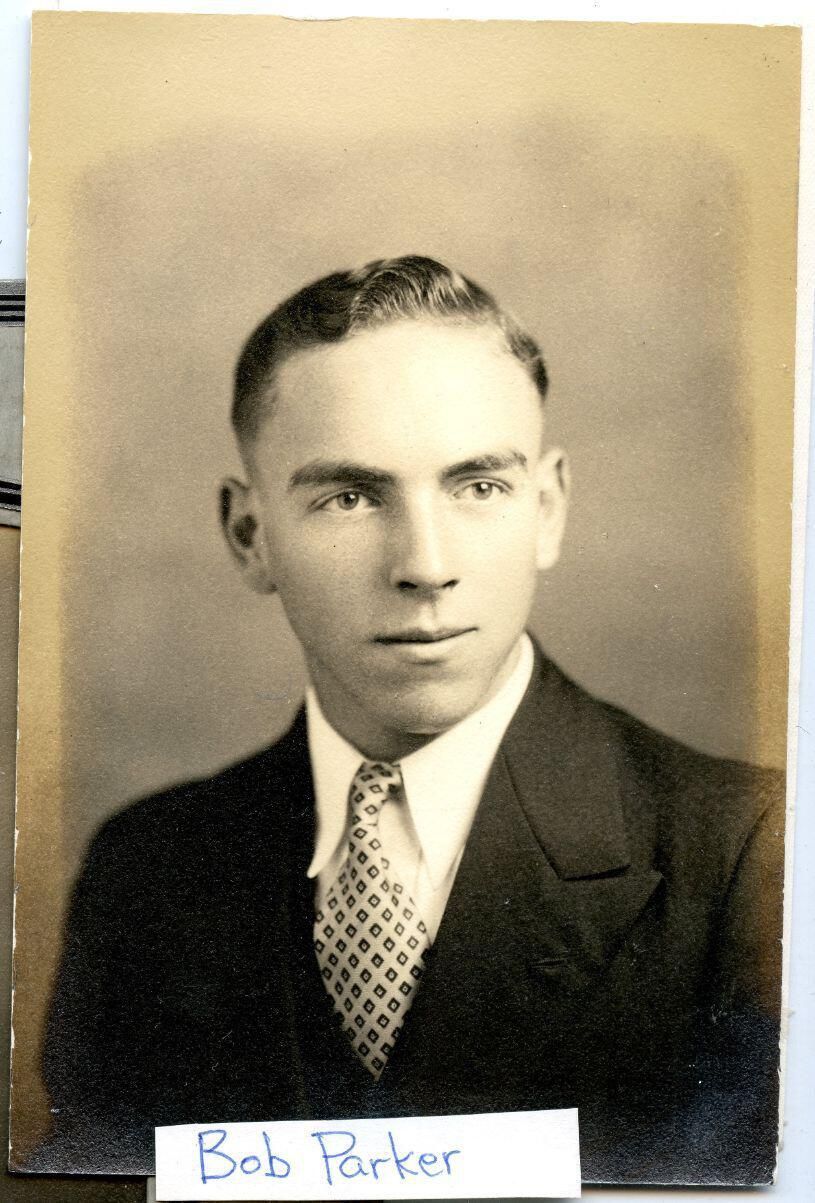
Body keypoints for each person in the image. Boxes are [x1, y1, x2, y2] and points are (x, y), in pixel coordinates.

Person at [40, 256, 784, 1184]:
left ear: (547, 509)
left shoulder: (752, 852)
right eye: (350, 497)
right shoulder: (147, 870)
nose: (426, 566)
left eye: (478, 486)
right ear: (249, 535)